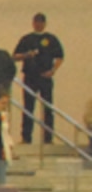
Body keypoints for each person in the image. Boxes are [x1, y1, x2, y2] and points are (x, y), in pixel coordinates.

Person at [14, 13, 66, 144]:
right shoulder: (27, 39)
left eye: (41, 22)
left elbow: (60, 56)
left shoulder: (51, 39)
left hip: (45, 77)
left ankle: (48, 138)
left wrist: (53, 70)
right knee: (28, 108)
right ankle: (26, 138)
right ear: (33, 23)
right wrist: (26, 55)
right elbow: (15, 56)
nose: (39, 24)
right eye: (37, 22)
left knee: (48, 108)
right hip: (30, 77)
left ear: (45, 24)